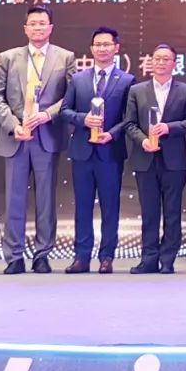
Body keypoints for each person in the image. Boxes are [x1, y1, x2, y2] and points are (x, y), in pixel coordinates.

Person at [0, 5, 76, 274]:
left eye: (42, 23)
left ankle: (42, 254)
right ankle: (14, 256)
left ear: (51, 27)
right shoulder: (8, 58)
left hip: (46, 136)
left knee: (45, 200)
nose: (38, 27)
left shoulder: (65, 57)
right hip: (17, 137)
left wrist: (47, 115)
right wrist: (13, 125)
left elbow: (72, 96)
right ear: (25, 28)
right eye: (33, 23)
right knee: (14, 200)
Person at [60, 27, 134, 274]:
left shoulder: (127, 81)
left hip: (110, 152)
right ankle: (81, 257)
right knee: (82, 206)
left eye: (107, 44)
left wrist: (111, 134)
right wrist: (83, 119)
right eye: (98, 45)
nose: (102, 49)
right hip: (82, 151)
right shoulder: (78, 79)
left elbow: (129, 118)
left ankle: (107, 257)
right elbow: (65, 111)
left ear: (116, 48)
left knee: (110, 206)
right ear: (91, 49)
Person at [124, 44, 186, 274]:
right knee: (149, 212)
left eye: (166, 59)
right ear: (151, 62)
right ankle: (149, 259)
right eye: (157, 58)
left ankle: (167, 260)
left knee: (172, 212)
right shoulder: (137, 90)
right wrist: (143, 140)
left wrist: (168, 127)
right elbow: (129, 123)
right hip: (145, 158)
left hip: (174, 161)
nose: (161, 63)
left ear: (175, 63)